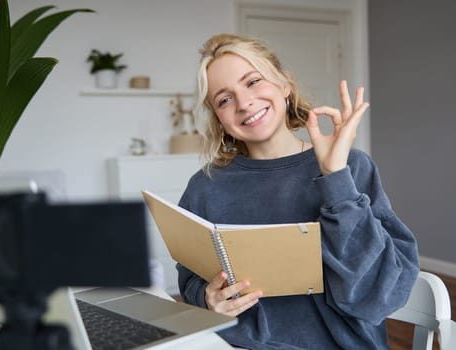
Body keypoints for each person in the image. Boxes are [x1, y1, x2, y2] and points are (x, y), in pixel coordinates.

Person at [175, 33, 420, 349]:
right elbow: (191, 275)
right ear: (218, 119)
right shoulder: (205, 186)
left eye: (253, 82)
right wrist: (208, 298)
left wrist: (335, 179)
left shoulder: (351, 167)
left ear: (284, 85)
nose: (244, 102)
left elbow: (379, 295)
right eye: (224, 99)